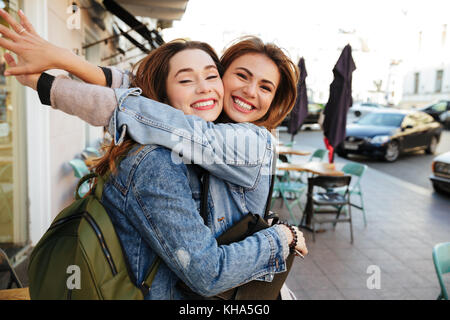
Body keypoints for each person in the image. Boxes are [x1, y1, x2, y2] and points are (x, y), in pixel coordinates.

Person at [0, 9, 308, 299]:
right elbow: (140, 88)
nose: (251, 91)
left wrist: (48, 83)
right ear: (223, 77)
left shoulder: (252, 142)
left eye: (266, 87)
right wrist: (64, 62)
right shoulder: (163, 155)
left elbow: (146, 110)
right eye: (242, 76)